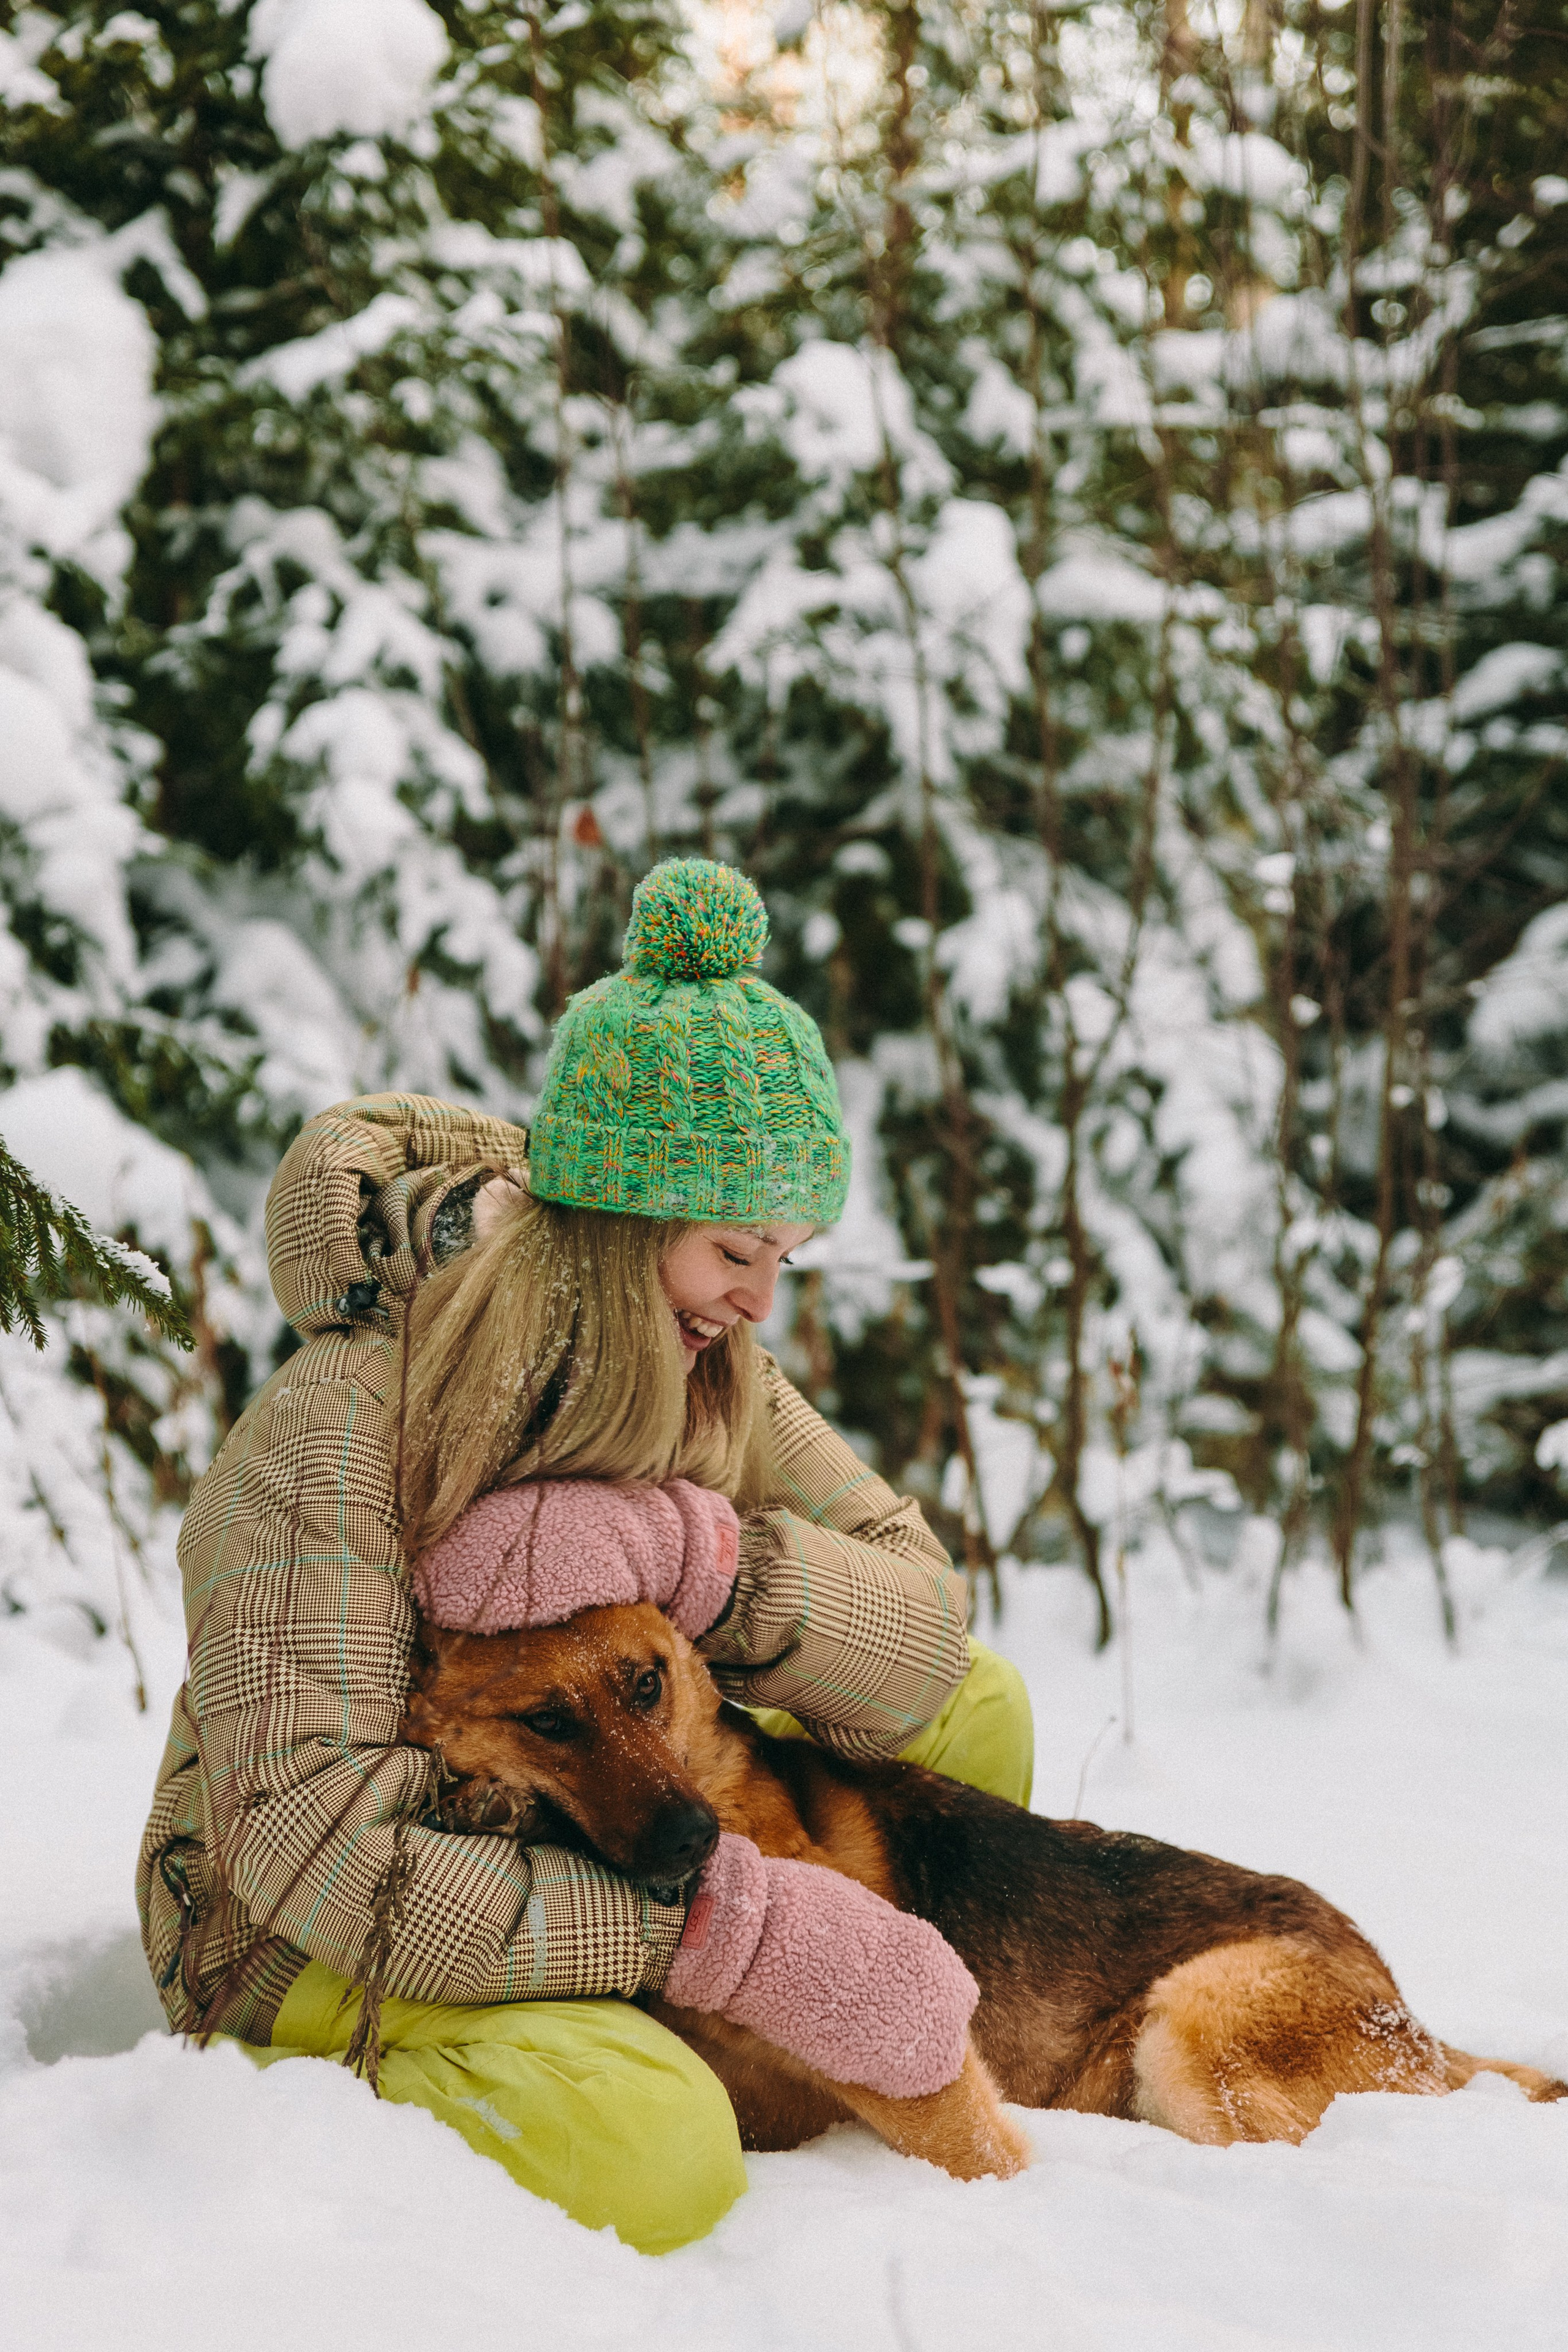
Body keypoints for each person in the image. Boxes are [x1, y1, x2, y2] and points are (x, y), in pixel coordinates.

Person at [137, 857, 1034, 2255]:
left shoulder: (701, 1357)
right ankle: (287, 2100)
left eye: (782, 1259)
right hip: (289, 1922)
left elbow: (923, 1620)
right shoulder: (347, 1420)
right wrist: (714, 1933)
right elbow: (310, 1848)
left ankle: (873, 2026)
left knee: (978, 1699)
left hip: (602, 1812)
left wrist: (708, 1563)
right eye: (737, 1249)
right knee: (655, 2157)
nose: (757, 1297)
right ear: (623, 1233)